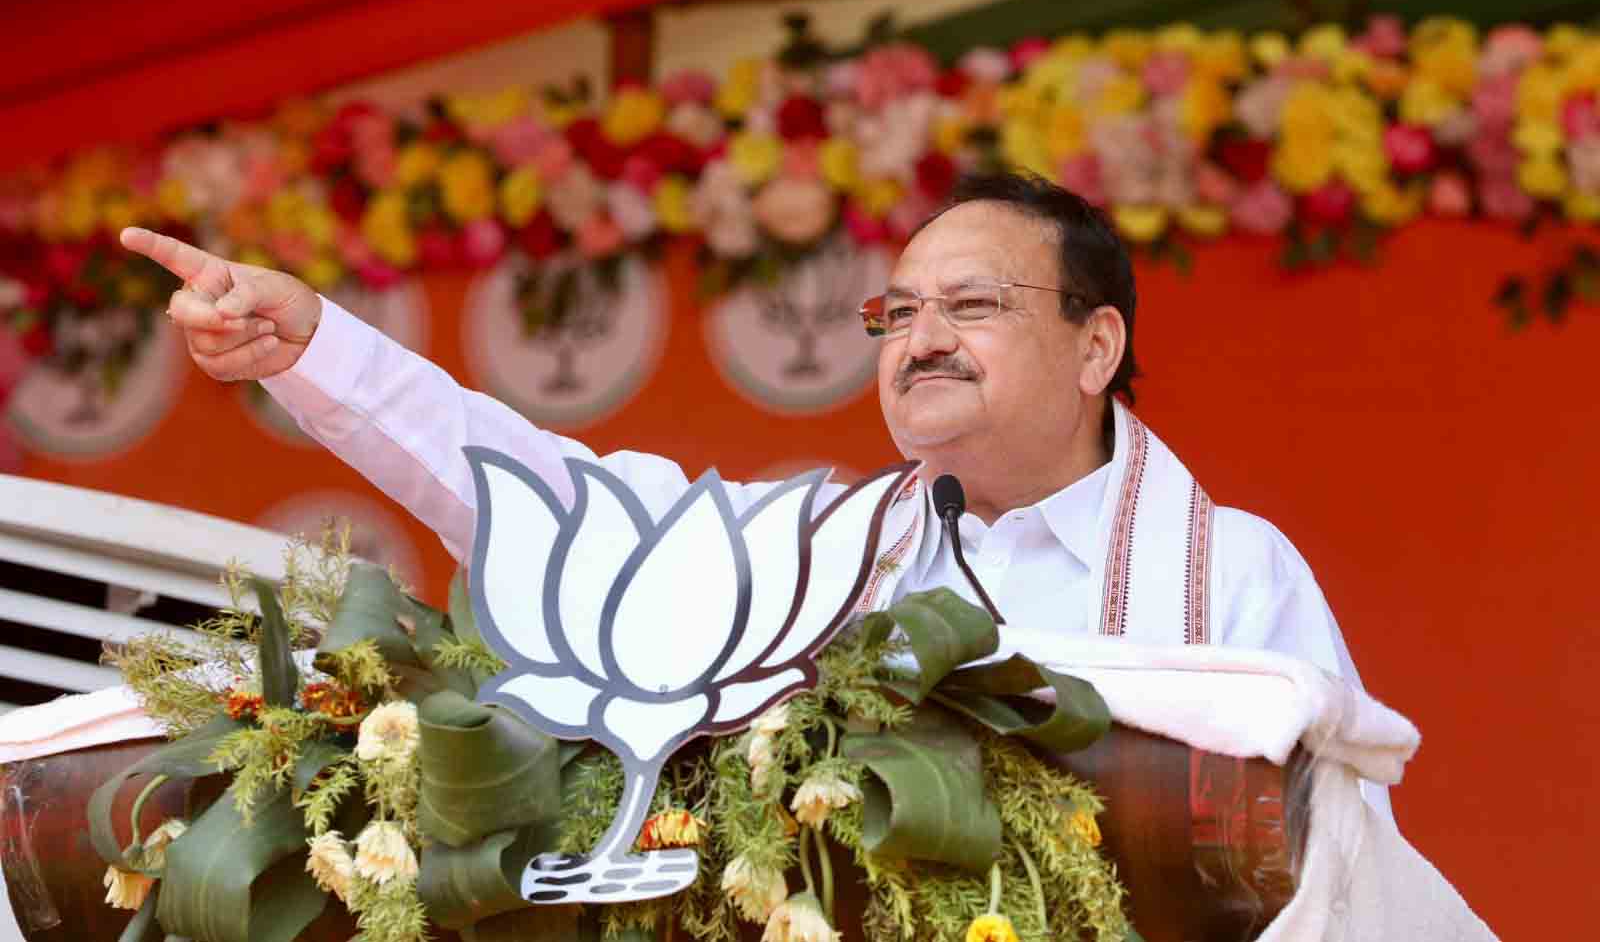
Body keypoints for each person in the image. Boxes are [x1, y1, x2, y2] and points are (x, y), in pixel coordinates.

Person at [124, 171, 1390, 815]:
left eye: (973, 307)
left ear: (1096, 346)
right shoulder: (815, 548)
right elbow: (555, 505)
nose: (920, 338)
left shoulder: (1234, 572)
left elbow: (1333, 863)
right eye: (897, 313)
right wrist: (320, 352)